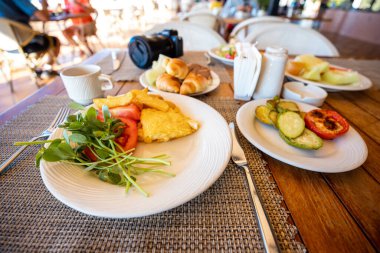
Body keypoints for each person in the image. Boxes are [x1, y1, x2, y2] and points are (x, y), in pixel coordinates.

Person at [0, 0, 61, 76]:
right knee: (54, 40)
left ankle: (39, 69)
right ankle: (47, 69)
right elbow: (44, 17)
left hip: (6, 50)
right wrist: (44, 4)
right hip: (27, 46)